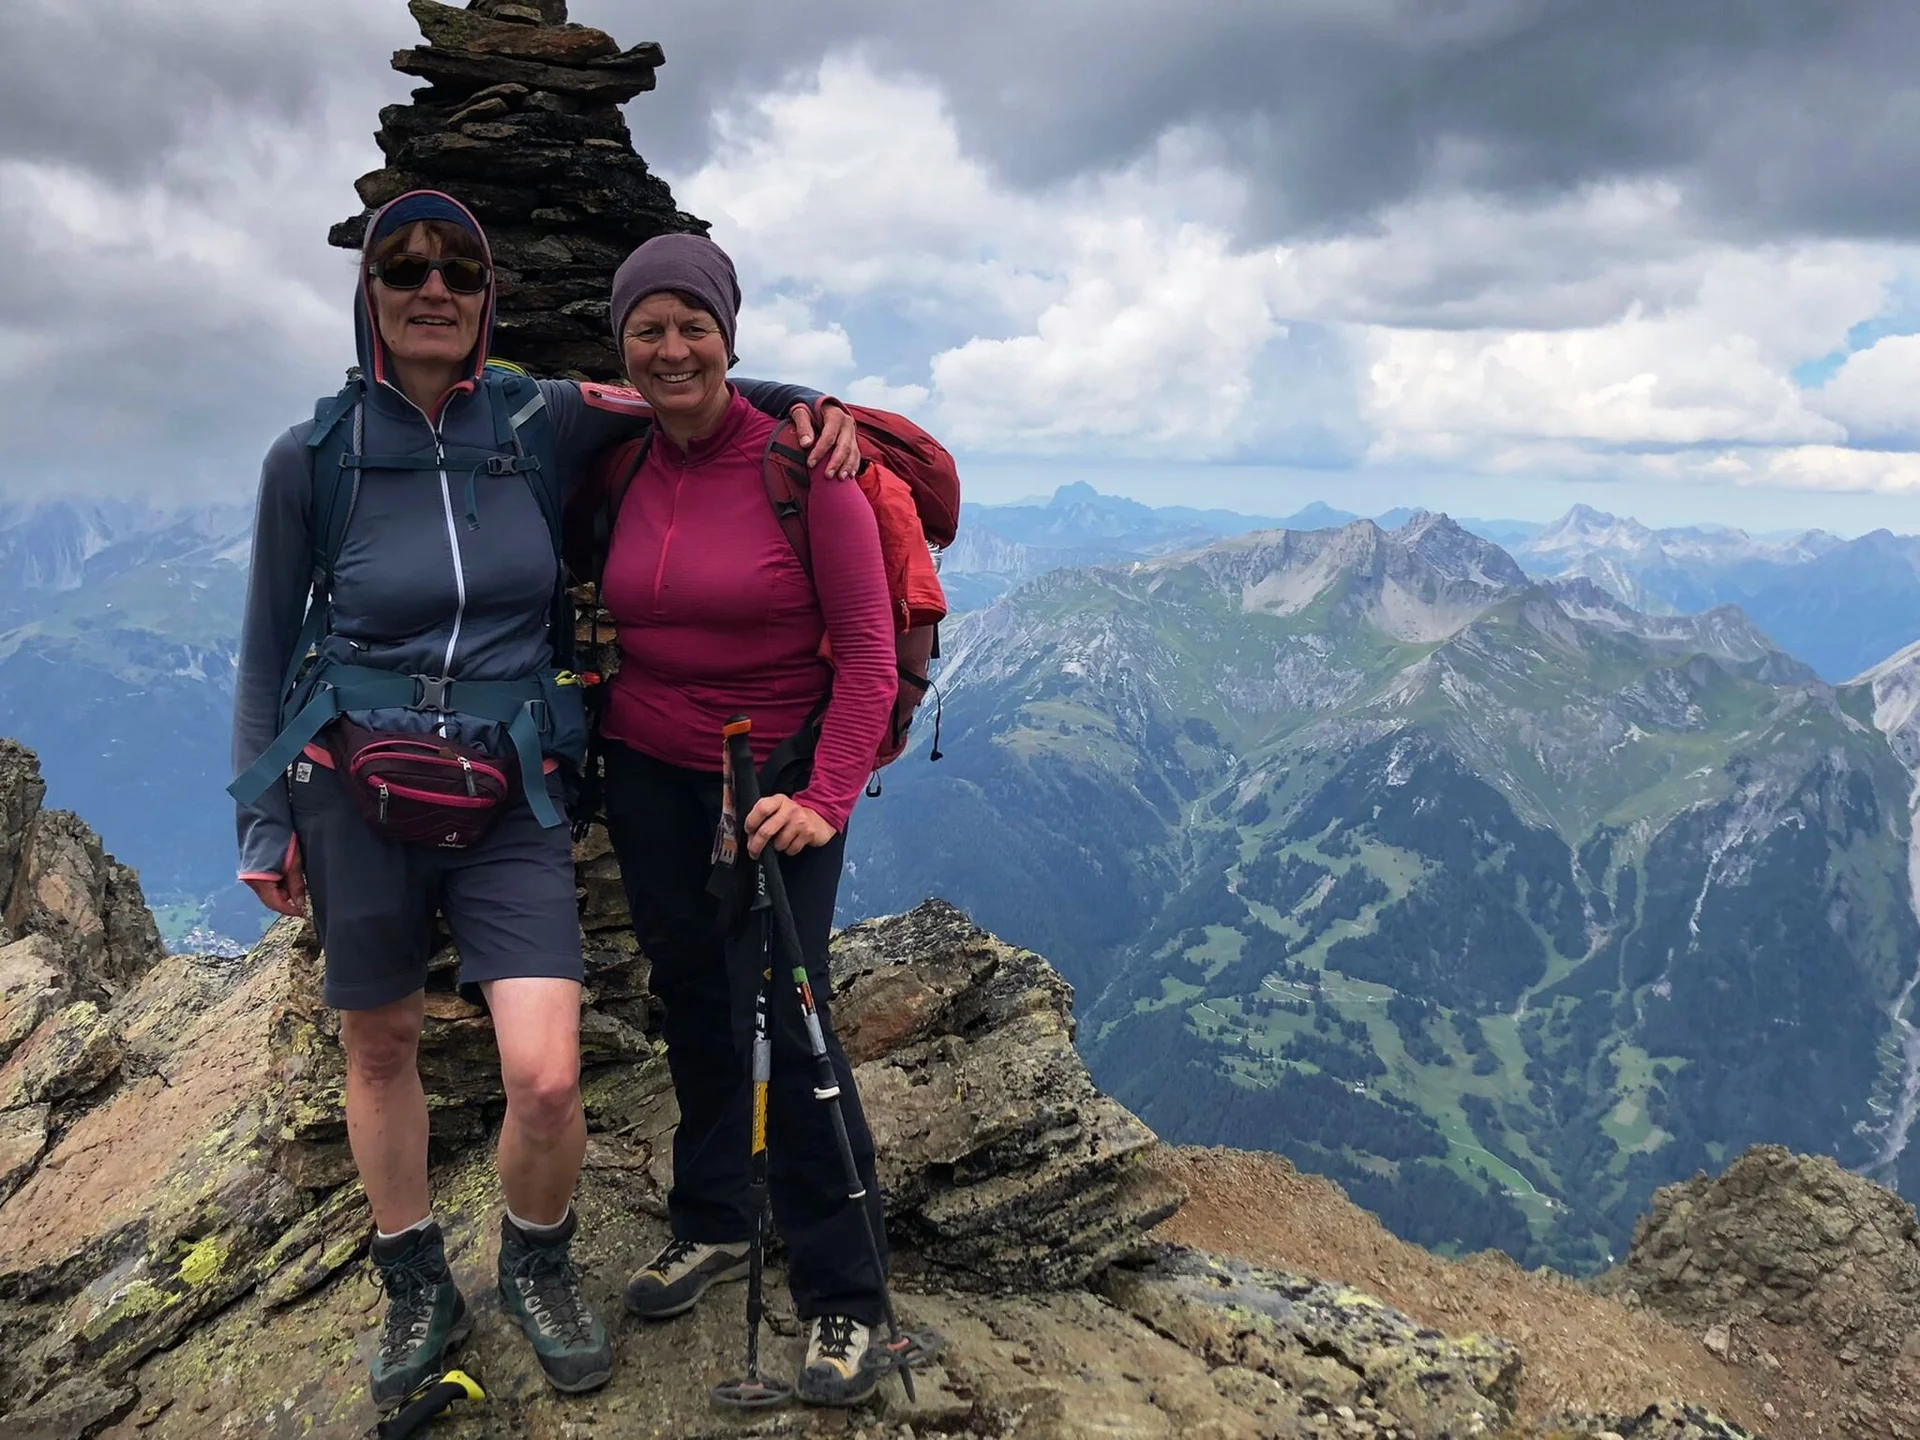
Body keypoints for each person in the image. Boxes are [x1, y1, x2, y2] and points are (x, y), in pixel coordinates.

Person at [228, 189, 860, 1413]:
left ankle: (536, 1259)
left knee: (549, 1075)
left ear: (487, 299)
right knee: (382, 1040)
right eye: (403, 267)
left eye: (458, 270)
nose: (432, 290)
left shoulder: (541, 415)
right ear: (368, 293)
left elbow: (689, 396)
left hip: (511, 784)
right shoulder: (311, 457)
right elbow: (264, 649)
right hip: (349, 784)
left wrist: (809, 405)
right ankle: (415, 1279)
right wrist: (261, 819)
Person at [593, 233, 899, 1407]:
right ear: (622, 345)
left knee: (794, 1020)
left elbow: (869, 655)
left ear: (730, 334)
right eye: (648, 328)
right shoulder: (616, 459)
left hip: (772, 783)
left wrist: (823, 799)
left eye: (693, 326)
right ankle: (717, 1216)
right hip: (649, 774)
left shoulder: (806, 468)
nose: (672, 349)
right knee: (695, 1001)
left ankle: (845, 1295)